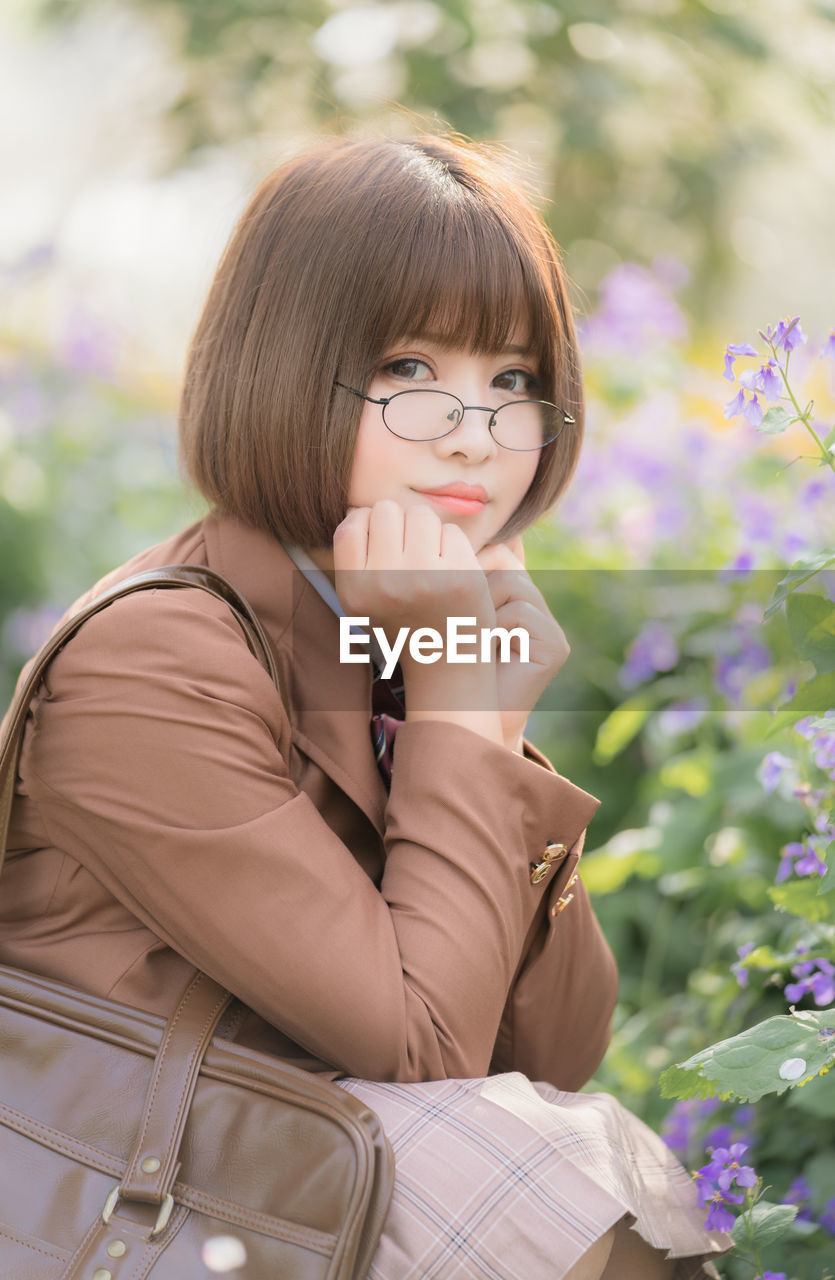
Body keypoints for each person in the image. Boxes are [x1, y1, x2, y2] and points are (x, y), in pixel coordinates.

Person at [0, 135, 729, 1279]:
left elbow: (554, 1043)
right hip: (125, 1198)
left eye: (513, 381)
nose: (472, 430)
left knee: (565, 1164)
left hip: (290, 1162)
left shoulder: (383, 620)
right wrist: (459, 692)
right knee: (539, 1185)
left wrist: (480, 707)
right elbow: (425, 1047)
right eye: (406, 370)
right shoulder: (155, 660)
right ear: (284, 364)